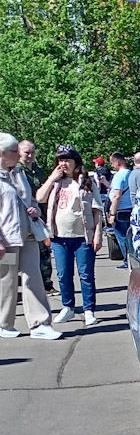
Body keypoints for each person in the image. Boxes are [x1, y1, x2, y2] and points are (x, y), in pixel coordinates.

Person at [0, 133, 60, 340]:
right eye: (14, 151)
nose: (19, 155)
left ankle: (40, 323)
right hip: (6, 238)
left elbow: (31, 199)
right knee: (6, 282)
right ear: (2, 153)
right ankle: (3, 323)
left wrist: (35, 210)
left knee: (33, 278)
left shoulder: (19, 173)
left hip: (28, 235)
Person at [39, 145, 103, 326]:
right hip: (59, 237)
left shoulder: (86, 181)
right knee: (63, 274)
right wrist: (52, 177)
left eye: (67, 159)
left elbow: (97, 210)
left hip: (83, 237)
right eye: (60, 160)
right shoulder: (56, 182)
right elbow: (40, 198)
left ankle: (89, 310)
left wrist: (97, 234)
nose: (63, 163)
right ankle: (68, 307)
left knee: (86, 275)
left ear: (76, 161)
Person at [17, 139, 52, 293]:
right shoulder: (17, 172)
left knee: (44, 251)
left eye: (32, 152)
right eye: (26, 152)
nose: (30, 155)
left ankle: (46, 284)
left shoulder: (38, 171)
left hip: (40, 217)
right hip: (24, 218)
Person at [107, 152, 133, 268]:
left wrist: (112, 213)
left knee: (122, 237)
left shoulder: (119, 176)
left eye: (112, 163)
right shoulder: (131, 174)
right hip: (130, 209)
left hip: (120, 211)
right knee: (131, 237)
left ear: (118, 162)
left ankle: (127, 261)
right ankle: (132, 260)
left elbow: (117, 196)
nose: (112, 166)